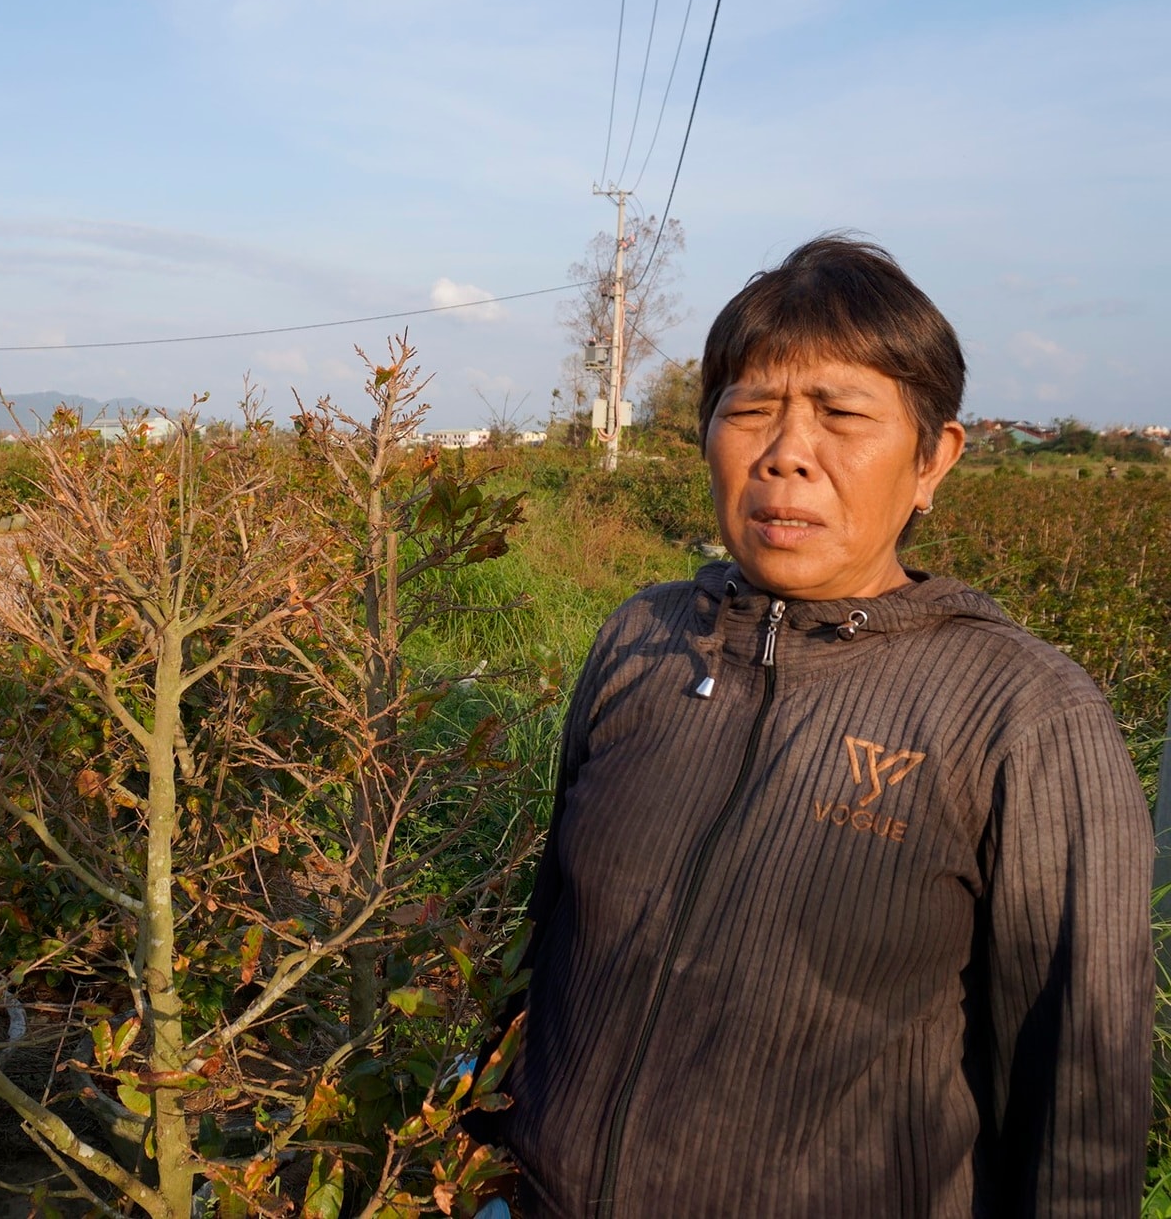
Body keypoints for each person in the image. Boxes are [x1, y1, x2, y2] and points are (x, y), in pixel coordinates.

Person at [471, 235, 1151, 1216]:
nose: (789, 451)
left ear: (933, 458)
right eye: (751, 409)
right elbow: (552, 944)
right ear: (706, 435)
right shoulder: (641, 641)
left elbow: (1076, 1119)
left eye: (842, 413)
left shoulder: (1021, 715)